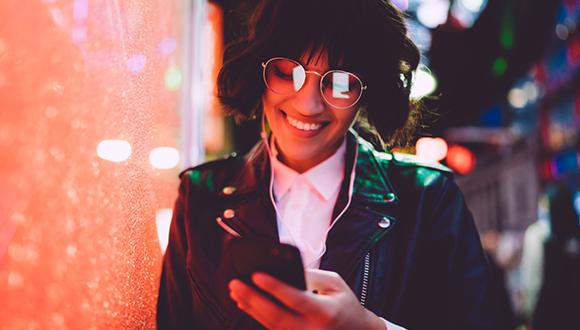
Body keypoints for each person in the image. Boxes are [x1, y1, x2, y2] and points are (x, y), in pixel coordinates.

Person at [157, 0, 499, 329]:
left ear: (365, 89)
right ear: (261, 70)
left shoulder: (428, 200)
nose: (307, 103)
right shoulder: (200, 198)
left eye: (338, 82)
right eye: (287, 71)